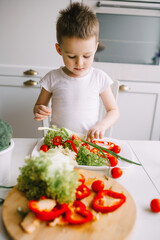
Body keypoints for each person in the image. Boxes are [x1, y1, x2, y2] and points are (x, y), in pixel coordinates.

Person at [33, 2, 119, 140]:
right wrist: (39, 111)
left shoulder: (99, 77)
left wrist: (101, 126)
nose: (80, 63)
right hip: (58, 142)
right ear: (59, 50)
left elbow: (113, 111)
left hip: (87, 143)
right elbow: (39, 106)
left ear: (95, 48)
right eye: (72, 56)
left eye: (87, 56)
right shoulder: (52, 77)